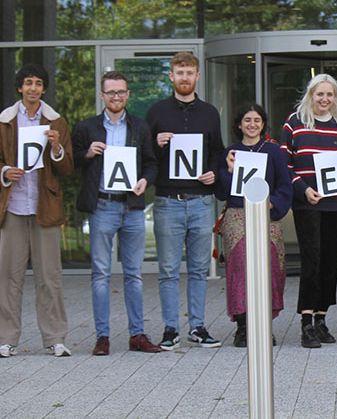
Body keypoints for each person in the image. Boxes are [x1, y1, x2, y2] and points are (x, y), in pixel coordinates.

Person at [72, 71, 162, 355]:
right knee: (100, 274)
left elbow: (151, 163)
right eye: (110, 92)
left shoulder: (139, 126)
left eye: (121, 92)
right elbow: (70, 162)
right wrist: (87, 153)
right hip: (102, 205)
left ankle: (137, 334)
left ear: (128, 95)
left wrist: (145, 181)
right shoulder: (87, 127)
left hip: (132, 207)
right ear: (102, 95)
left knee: (134, 274)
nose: (116, 97)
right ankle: (103, 337)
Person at [145, 52, 225, 350]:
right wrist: (156, 143)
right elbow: (144, 155)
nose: (184, 77)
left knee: (198, 269)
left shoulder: (209, 112)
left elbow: (217, 151)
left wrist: (213, 173)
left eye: (190, 72)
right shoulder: (156, 112)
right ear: (171, 76)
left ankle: (198, 326)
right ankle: (169, 328)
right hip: (168, 200)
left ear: (198, 76)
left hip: (202, 201)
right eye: (179, 72)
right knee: (167, 269)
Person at [0, 64, 74, 358]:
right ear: (20, 88)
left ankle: (55, 338)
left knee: (50, 276)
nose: (33, 88)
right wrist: (5, 171)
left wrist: (56, 148)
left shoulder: (56, 121)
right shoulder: (4, 121)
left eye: (38, 83)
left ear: (44, 89)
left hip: (45, 206)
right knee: (8, 276)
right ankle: (6, 338)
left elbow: (67, 166)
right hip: (13, 206)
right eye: (28, 83)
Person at [280, 74, 337, 349]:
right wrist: (302, 189)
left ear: (335, 97)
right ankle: (306, 321)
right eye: (319, 94)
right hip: (307, 202)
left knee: (330, 261)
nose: (324, 99)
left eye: (329, 94)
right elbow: (284, 163)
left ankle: (322, 317)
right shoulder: (295, 123)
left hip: (335, 202)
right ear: (310, 95)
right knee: (311, 261)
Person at [215, 102, 292, 347]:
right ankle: (243, 326)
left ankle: (264, 326)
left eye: (257, 120)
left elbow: (284, 185)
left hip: (266, 216)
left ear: (263, 124)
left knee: (269, 270)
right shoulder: (232, 152)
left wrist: (271, 203)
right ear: (239, 124)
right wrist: (228, 170)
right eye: (247, 120)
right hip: (237, 215)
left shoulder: (274, 151)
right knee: (239, 269)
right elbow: (220, 192)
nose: (252, 124)